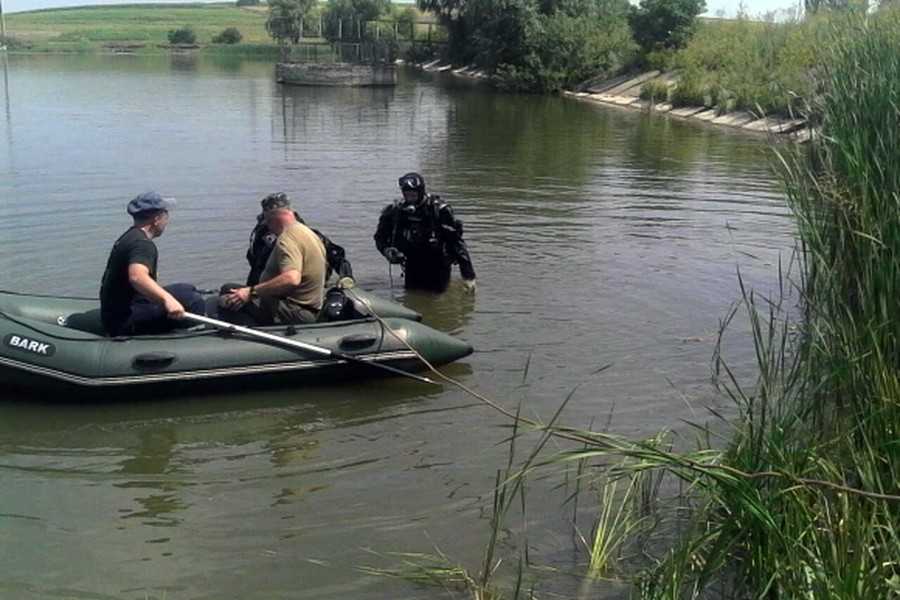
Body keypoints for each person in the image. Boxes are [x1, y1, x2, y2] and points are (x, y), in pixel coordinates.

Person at [99, 191, 205, 337]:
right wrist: (168, 300)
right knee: (193, 301)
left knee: (187, 289)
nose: (167, 220)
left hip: (118, 310)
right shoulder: (143, 244)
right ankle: (188, 341)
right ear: (157, 219)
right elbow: (137, 277)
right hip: (124, 320)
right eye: (166, 214)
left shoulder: (129, 236)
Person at [220, 193, 327, 325]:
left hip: (296, 311)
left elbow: (292, 278)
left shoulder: (287, 239)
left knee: (227, 297)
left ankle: (246, 337)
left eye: (267, 222)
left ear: (271, 218)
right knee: (230, 288)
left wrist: (252, 292)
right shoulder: (307, 232)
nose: (268, 227)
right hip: (306, 307)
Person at [374, 172, 476, 293]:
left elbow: (457, 243)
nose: (410, 198)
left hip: (438, 263)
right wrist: (387, 251)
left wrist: (468, 276)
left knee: (437, 300)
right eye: (407, 194)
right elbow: (380, 237)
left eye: (413, 194)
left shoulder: (439, 210)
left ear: (421, 191)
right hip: (412, 262)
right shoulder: (395, 211)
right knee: (412, 296)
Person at [246, 208, 352, 287]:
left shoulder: (313, 237)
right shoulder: (266, 241)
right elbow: (256, 268)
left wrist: (346, 276)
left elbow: (338, 257)